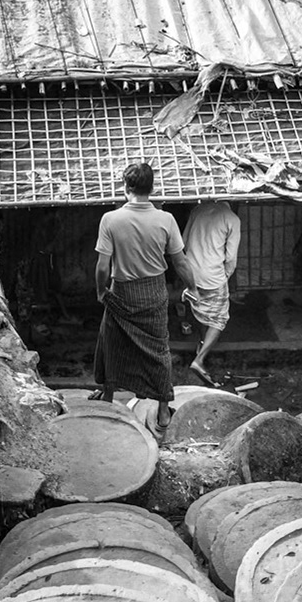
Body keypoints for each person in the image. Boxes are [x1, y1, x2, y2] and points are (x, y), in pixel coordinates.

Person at [93, 161, 194, 433]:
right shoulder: (166, 219)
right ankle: (162, 411)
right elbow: (180, 262)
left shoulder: (111, 219)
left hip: (121, 293)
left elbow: (103, 266)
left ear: (126, 188)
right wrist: (192, 286)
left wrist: (101, 291)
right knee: (158, 350)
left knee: (112, 344)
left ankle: (109, 396)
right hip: (154, 294)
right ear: (152, 189)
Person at [180, 198, 241, 384]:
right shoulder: (232, 219)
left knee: (200, 310)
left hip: (191, 272)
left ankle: (201, 345)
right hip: (213, 275)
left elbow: (183, 241)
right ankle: (199, 360)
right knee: (219, 318)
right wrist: (226, 276)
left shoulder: (197, 210)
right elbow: (231, 257)